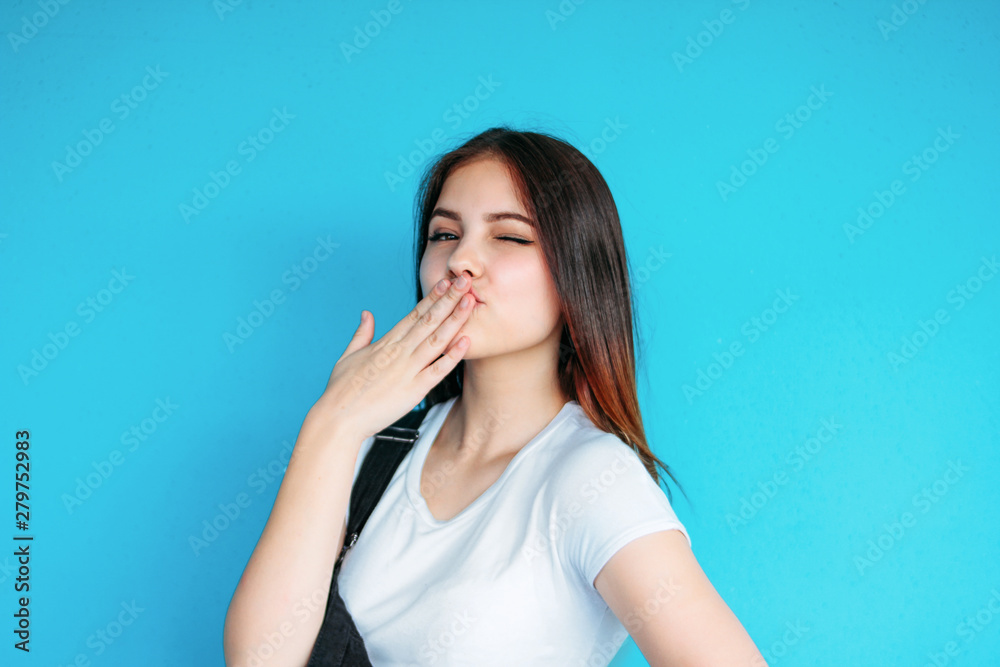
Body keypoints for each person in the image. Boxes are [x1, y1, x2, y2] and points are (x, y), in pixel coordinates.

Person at [224, 126, 767, 666]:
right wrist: (332, 422)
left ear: (578, 273)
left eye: (509, 237)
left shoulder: (592, 478)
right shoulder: (372, 450)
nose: (461, 259)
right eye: (444, 234)